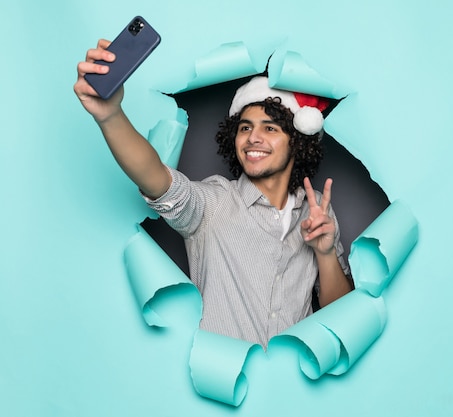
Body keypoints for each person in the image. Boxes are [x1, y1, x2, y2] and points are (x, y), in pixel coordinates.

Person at [74, 39, 352, 346]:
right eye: (245, 128)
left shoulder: (318, 215)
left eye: (270, 128)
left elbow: (341, 318)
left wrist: (325, 253)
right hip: (222, 384)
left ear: (297, 142)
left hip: (293, 389)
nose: (253, 138)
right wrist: (110, 116)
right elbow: (155, 177)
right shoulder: (214, 203)